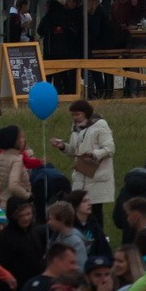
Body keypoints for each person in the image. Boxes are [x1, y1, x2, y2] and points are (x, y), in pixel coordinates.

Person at [55, 100, 117, 245]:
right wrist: (63, 146)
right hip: (81, 176)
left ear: (86, 113)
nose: (75, 118)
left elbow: (110, 148)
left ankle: (99, 239)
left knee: (94, 210)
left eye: (77, 114)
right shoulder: (76, 128)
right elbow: (74, 151)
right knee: (79, 210)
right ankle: (85, 238)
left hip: (97, 176)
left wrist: (94, 154)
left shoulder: (100, 125)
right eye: (73, 115)